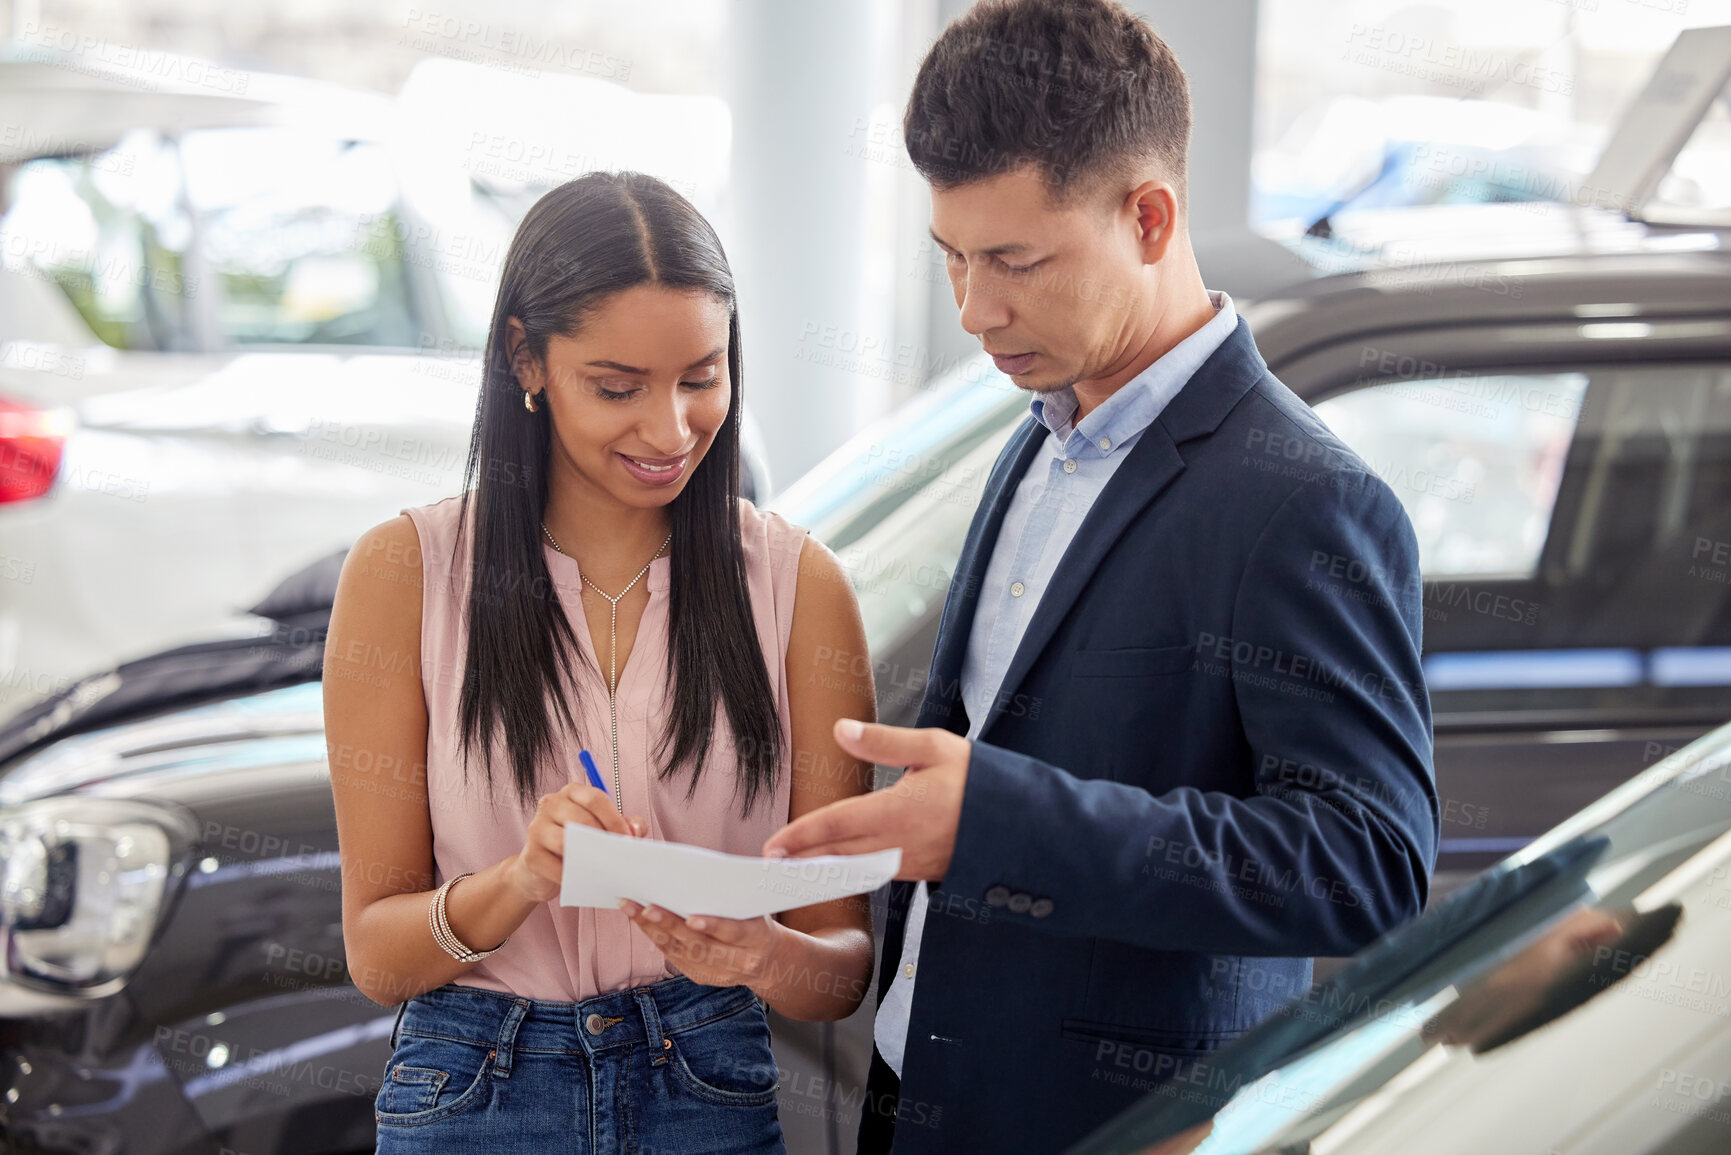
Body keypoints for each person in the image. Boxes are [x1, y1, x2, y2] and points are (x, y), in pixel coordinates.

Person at [761, 2, 1439, 1151]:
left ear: (1150, 217)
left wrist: (1001, 819)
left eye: (1017, 261)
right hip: (914, 1096)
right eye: (954, 260)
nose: (976, 311)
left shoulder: (1305, 499)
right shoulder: (1035, 434)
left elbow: (1366, 863)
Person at [322, 170, 876, 1154]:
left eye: (702, 378)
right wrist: (520, 880)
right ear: (525, 358)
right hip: (474, 1090)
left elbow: (840, 972)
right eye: (618, 388)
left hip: (706, 1079)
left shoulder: (800, 589)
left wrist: (762, 950)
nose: (669, 432)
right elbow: (377, 956)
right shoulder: (406, 574)